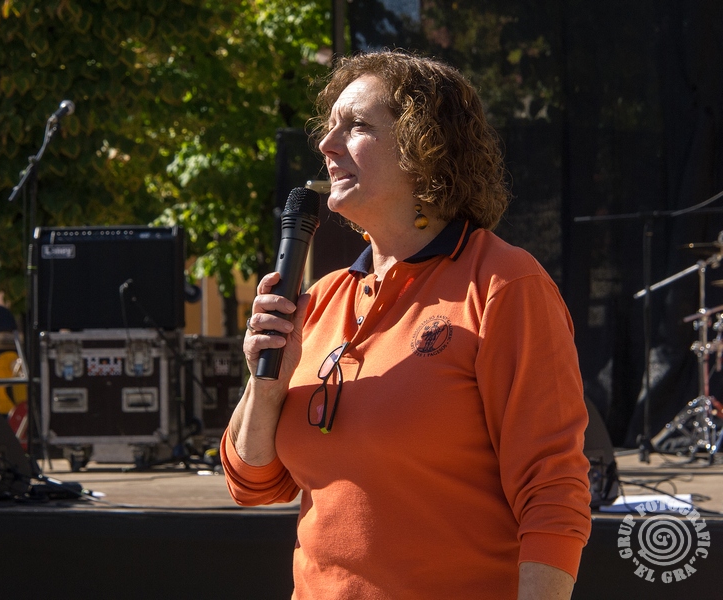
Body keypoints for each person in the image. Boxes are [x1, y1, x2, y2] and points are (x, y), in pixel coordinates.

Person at [222, 50, 592, 600]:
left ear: (425, 146)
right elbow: (253, 483)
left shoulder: (503, 284)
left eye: (356, 126)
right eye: (329, 128)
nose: (326, 145)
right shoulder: (320, 300)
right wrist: (267, 384)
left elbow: (553, 491)